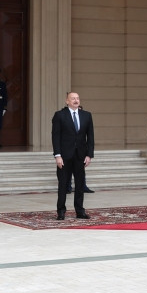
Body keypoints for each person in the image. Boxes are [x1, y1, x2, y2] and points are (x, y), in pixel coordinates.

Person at [51, 92, 94, 220]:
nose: (76, 100)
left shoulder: (86, 115)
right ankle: (61, 211)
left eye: (77, 98)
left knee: (80, 184)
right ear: (67, 101)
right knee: (63, 184)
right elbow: (55, 137)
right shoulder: (60, 115)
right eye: (73, 98)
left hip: (80, 156)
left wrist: (89, 155)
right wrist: (57, 155)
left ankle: (80, 211)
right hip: (64, 156)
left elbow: (90, 137)